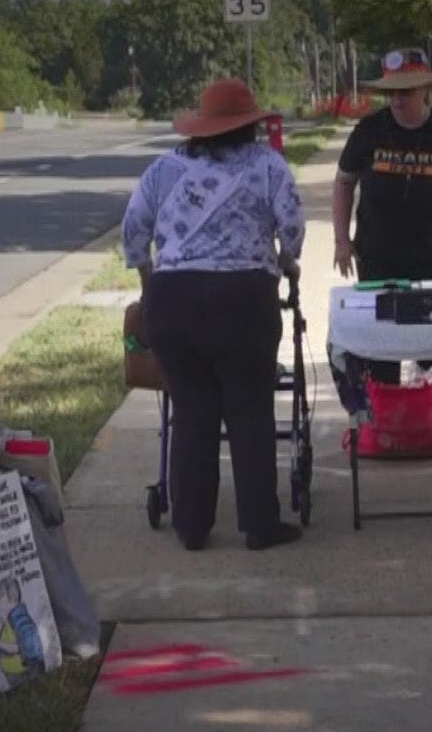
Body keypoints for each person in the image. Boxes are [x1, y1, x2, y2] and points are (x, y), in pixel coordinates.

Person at [120, 78, 304, 553]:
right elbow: (293, 227)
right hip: (243, 300)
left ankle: (192, 526)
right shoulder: (269, 165)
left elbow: (133, 228)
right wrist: (284, 262)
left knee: (192, 411)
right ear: (249, 126)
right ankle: (260, 524)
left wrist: (149, 279)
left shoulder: (163, 169)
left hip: (173, 300)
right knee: (248, 411)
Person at [333, 47, 432, 383]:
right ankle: (385, 424)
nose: (397, 100)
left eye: (406, 92)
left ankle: (431, 420)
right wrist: (342, 241)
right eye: (391, 92)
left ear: (425, 89)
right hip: (377, 255)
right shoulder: (370, 130)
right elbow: (343, 183)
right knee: (380, 349)